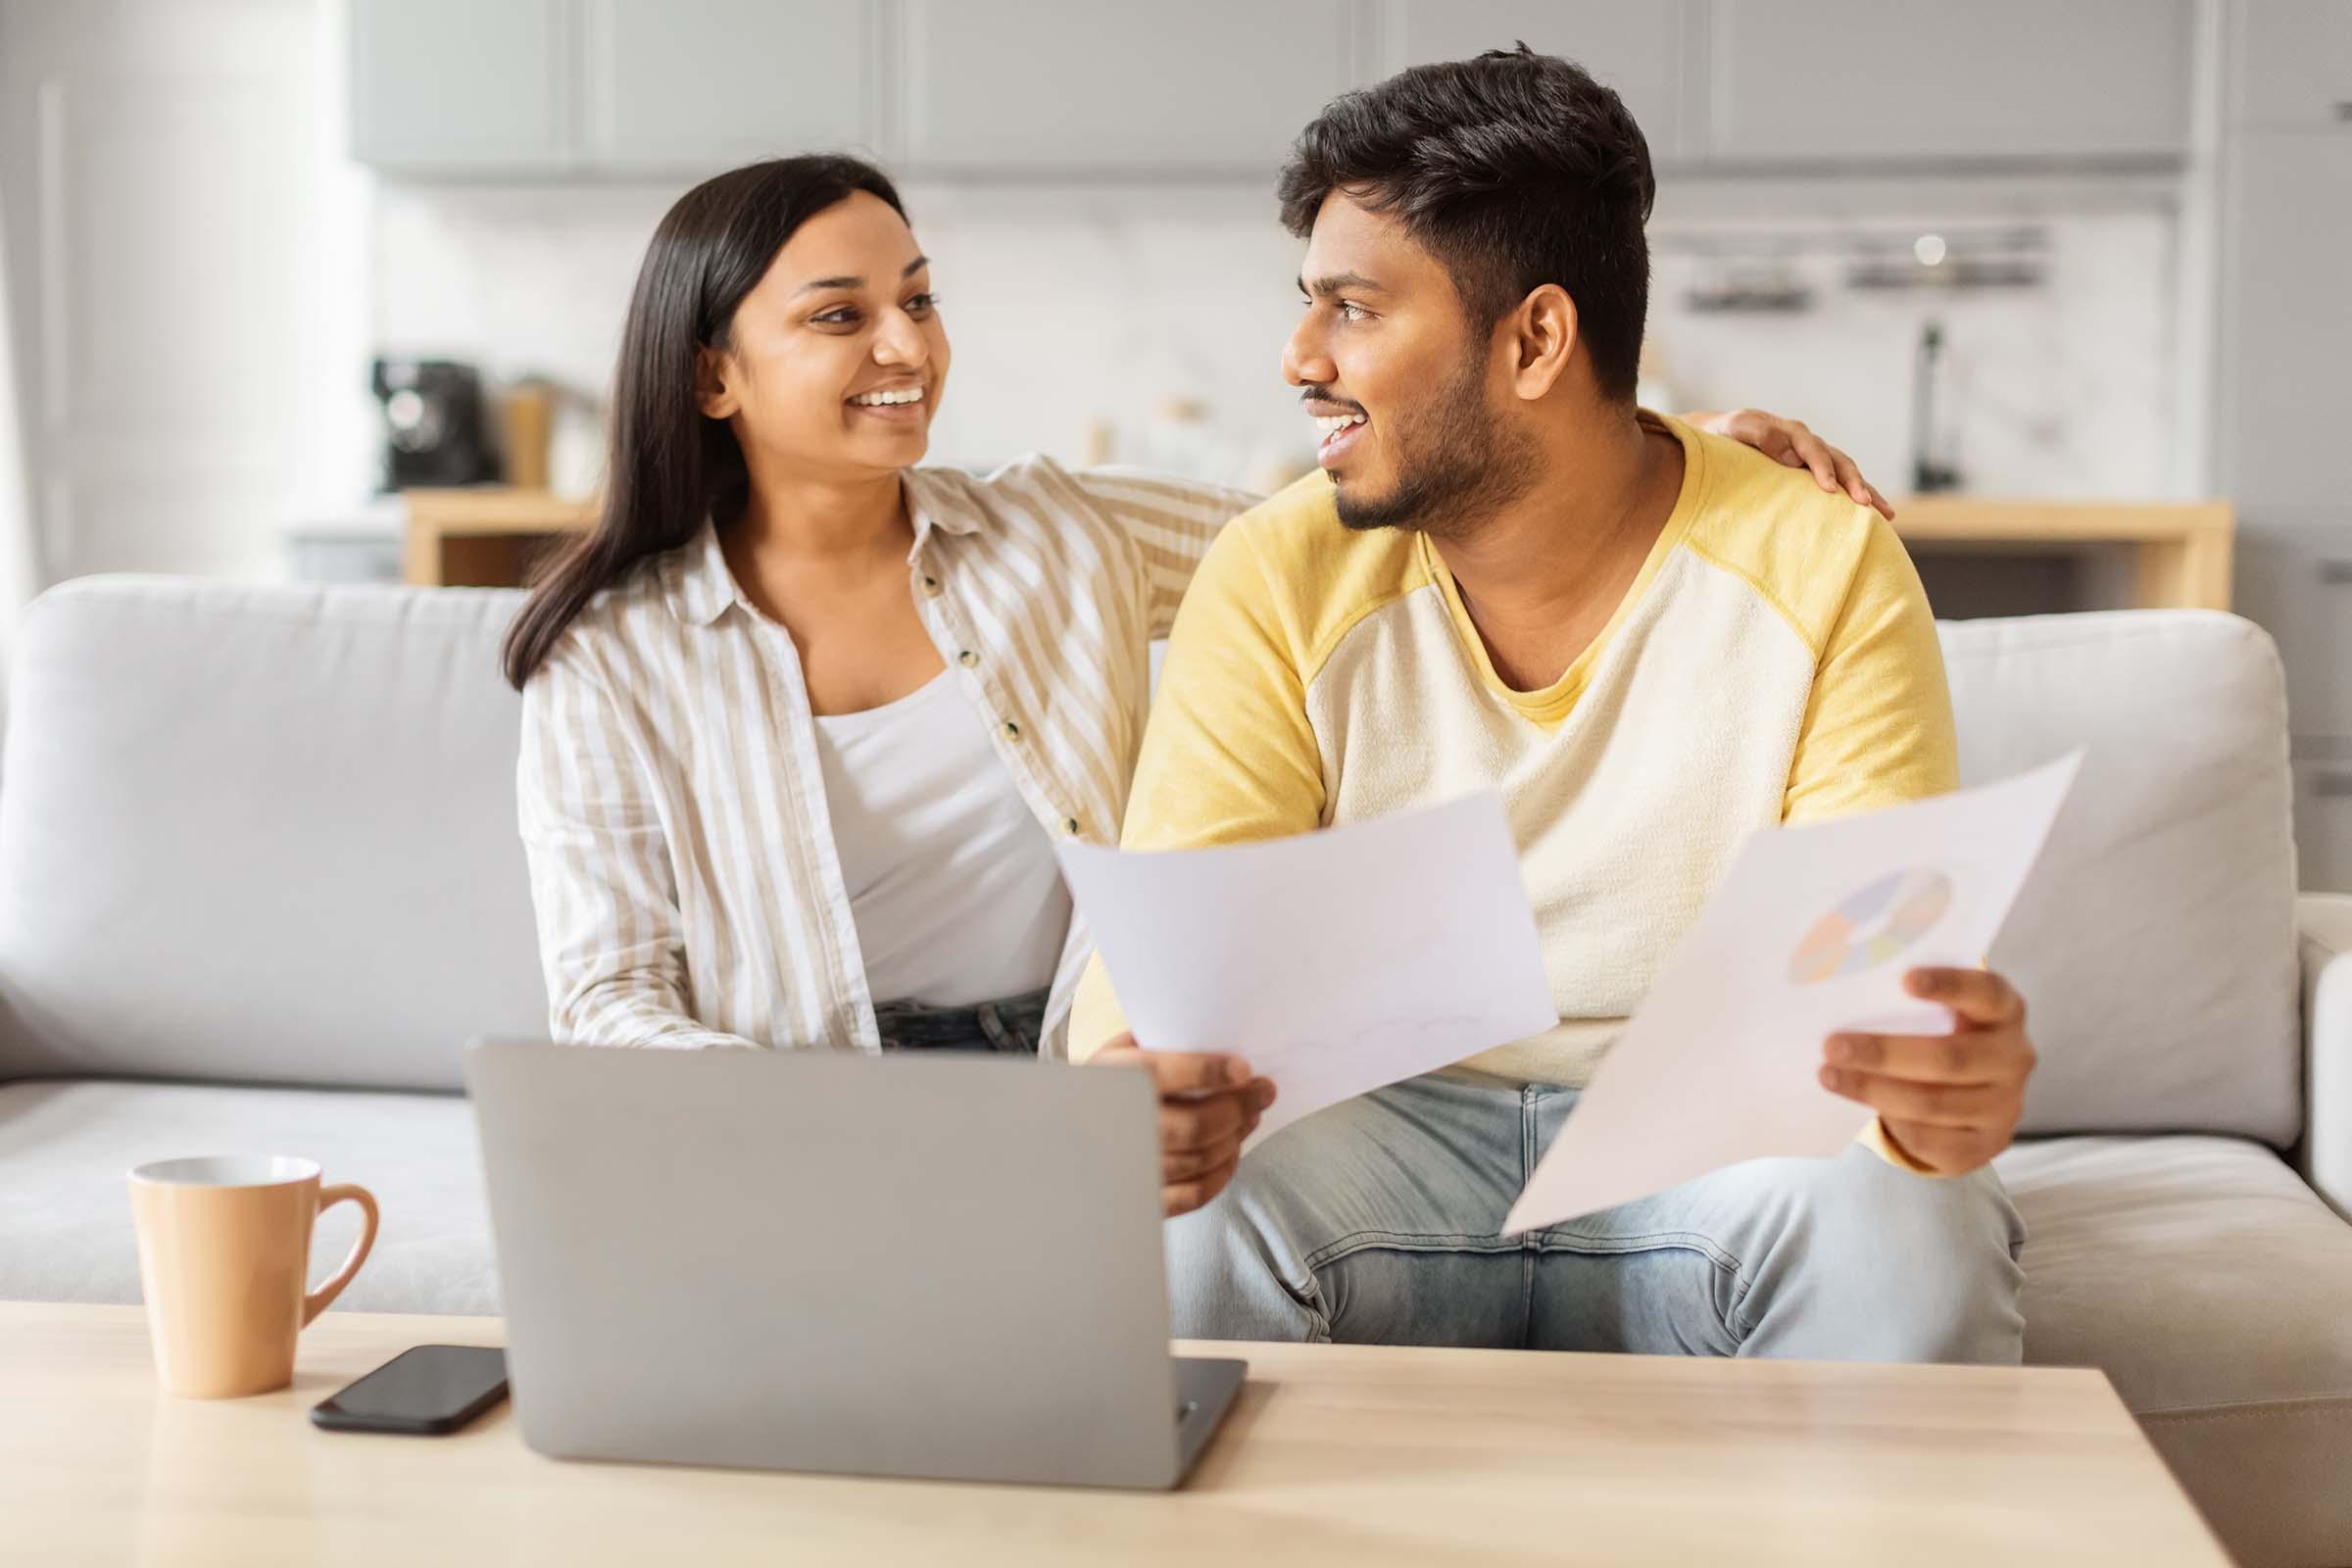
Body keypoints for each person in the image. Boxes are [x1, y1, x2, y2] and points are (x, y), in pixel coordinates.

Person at [503, 152, 1894, 1077]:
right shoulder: (610, 660)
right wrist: (825, 1126)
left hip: (1077, 1083)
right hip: (798, 1109)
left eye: (919, 300)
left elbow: (1366, 523)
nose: (908, 348)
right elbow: (608, 998)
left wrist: (1649, 446)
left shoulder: (1055, 533)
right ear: (711, 379)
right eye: (840, 316)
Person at [1069, 48, 2035, 1364]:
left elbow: (1870, 1003)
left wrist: (1929, 1104)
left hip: (1711, 1135)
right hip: (1377, 1133)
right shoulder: (1280, 570)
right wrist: (1140, 1089)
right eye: (1310, 305)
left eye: (1352, 308)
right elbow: (1176, 959)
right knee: (1161, 1219)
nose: (1301, 358)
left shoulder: (1819, 561)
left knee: (1901, 1220)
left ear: (1535, 340)